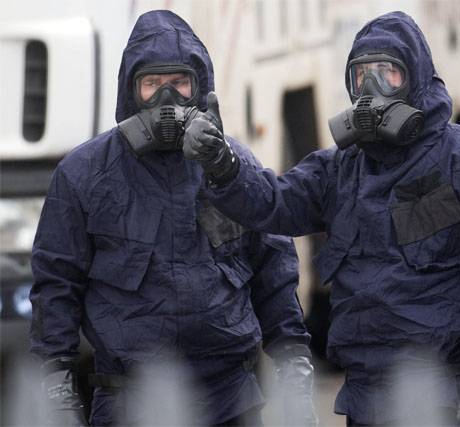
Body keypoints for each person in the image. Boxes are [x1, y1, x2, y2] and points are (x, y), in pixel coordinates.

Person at [183, 11, 460, 427]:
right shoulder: (340, 170)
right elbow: (273, 205)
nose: (372, 89)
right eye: (362, 76)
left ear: (416, 78)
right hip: (366, 397)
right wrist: (224, 164)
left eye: (388, 74)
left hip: (443, 395)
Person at [30, 10, 316, 427]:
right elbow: (56, 283)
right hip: (129, 402)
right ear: (131, 92)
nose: (167, 100)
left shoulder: (233, 169)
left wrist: (294, 368)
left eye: (179, 84)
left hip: (229, 401)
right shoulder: (84, 175)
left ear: (201, 90)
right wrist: (56, 384)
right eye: (152, 85)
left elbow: (273, 272)